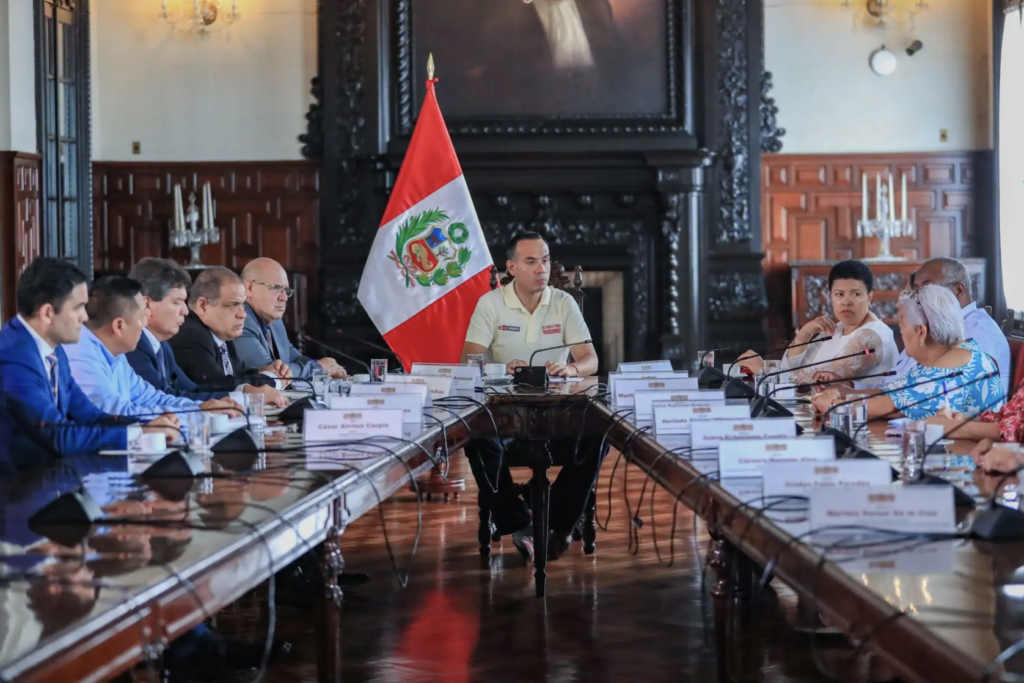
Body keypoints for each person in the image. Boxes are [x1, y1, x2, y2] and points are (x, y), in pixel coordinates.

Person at [459, 232, 604, 562]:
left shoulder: (563, 302)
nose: (542, 268)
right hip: (505, 418)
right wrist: (500, 368)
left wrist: (572, 370)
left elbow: (591, 360)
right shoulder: (491, 303)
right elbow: (469, 362)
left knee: (599, 435)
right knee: (476, 440)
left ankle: (556, 521)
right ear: (511, 267)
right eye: (531, 261)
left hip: (559, 417)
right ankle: (520, 520)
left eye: (546, 259)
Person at [0, 258, 179, 465]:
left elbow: (91, 415)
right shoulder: (13, 357)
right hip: (15, 488)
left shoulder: (55, 350)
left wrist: (147, 426)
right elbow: (58, 436)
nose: (85, 317)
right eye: (78, 308)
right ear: (48, 313)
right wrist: (139, 434)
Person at [63, 276, 242, 420]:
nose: (144, 324)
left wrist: (199, 408)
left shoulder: (116, 354)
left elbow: (150, 398)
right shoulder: (80, 355)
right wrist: (194, 413)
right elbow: (115, 414)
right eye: (141, 317)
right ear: (119, 326)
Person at [813, 285, 1003, 420]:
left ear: (921, 331)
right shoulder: (951, 353)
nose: (901, 331)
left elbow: (894, 408)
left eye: (902, 324)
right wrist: (848, 392)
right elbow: (896, 393)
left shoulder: (951, 368)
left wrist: (834, 406)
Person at [125, 257, 287, 407]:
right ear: (146, 304)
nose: (185, 311)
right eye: (177, 302)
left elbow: (192, 390)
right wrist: (247, 396)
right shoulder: (134, 346)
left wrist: (247, 390)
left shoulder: (162, 345)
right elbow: (162, 398)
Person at [169, 267, 291, 408]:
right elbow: (216, 384)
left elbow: (239, 373)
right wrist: (273, 380)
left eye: (242, 305)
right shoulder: (191, 335)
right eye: (233, 305)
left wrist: (266, 371)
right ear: (203, 306)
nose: (242, 314)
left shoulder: (220, 333)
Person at [893, 257, 1010, 396]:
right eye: (916, 290)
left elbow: (921, 395)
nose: (917, 298)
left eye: (927, 288)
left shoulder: (977, 332)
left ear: (958, 290)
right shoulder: (929, 326)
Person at [773, 260, 899, 388]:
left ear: (869, 297)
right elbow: (791, 369)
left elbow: (824, 378)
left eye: (856, 294)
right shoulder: (836, 329)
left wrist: (769, 372)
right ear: (831, 297)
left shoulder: (872, 336)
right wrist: (804, 334)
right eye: (839, 294)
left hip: (859, 407)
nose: (846, 302)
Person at [234, 257, 347, 379]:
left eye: (286, 290)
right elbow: (269, 371)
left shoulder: (275, 322)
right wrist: (319, 368)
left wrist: (329, 368)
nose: (284, 298)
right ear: (250, 288)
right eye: (276, 288)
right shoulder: (240, 319)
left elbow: (294, 358)